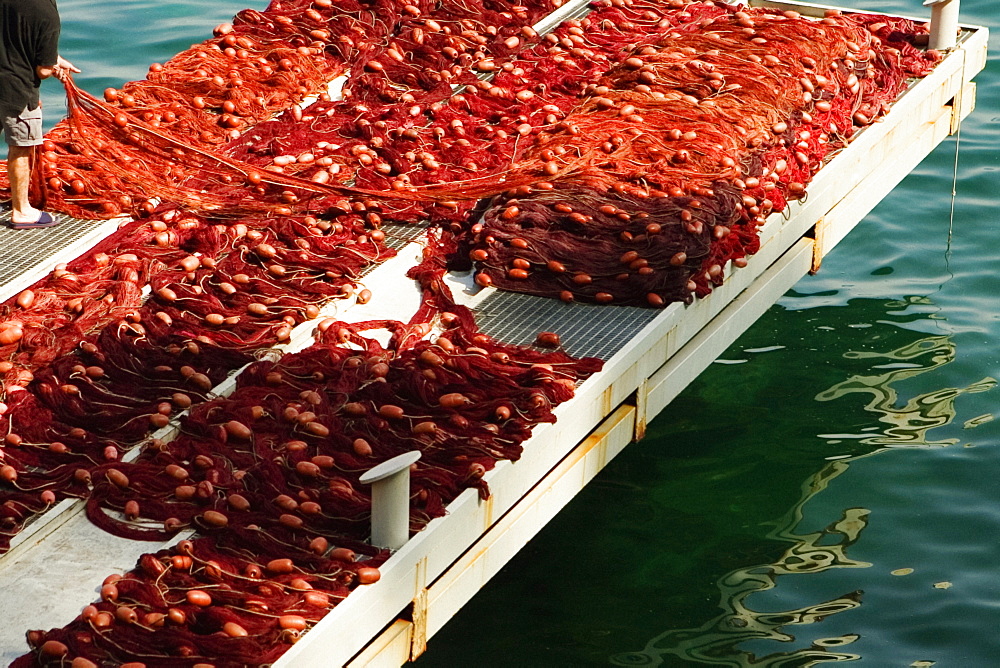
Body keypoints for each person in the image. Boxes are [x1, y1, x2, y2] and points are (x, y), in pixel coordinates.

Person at [1, 0, 79, 229]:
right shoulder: (47, 14)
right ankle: (21, 211)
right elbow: (42, 70)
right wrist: (52, 66)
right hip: (17, 89)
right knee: (21, 147)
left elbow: (13, 38)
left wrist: (53, 58)